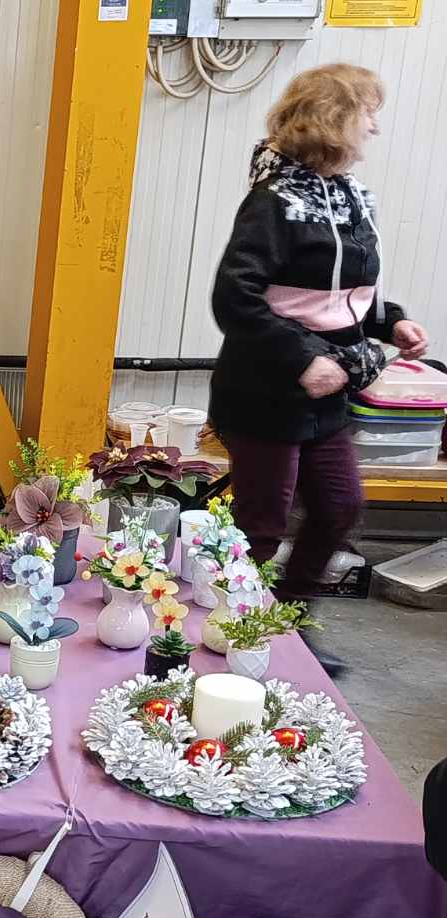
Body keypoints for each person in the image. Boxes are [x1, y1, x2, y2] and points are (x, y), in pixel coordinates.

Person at [210, 64, 428, 675]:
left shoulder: (349, 196)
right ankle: (229, 641)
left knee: (338, 507)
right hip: (265, 393)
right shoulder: (273, 201)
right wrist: (302, 357)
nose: (375, 127)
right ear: (334, 121)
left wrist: (392, 322)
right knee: (260, 527)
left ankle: (281, 623)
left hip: (327, 392)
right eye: (367, 114)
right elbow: (235, 299)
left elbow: (343, 292)